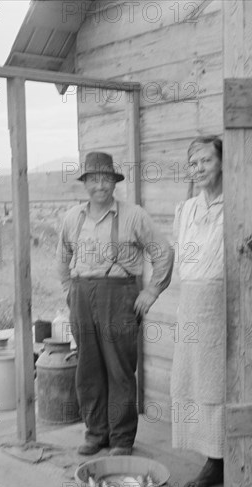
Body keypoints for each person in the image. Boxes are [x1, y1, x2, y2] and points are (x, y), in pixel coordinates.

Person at [57, 151, 174, 456]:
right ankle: (96, 433)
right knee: (88, 368)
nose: (100, 185)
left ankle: (121, 438)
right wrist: (70, 290)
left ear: (114, 182)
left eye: (105, 179)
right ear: (85, 183)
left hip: (119, 297)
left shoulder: (134, 215)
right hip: (82, 296)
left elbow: (163, 252)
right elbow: (62, 257)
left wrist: (151, 291)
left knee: (119, 370)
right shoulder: (72, 218)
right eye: (93, 179)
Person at [170, 136, 225, 487]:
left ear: (221, 162)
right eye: (194, 164)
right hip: (190, 303)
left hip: (221, 302)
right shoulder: (185, 209)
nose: (200, 168)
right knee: (191, 378)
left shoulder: (235, 204)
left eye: (206, 160)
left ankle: (226, 459)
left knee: (217, 380)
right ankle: (211, 460)